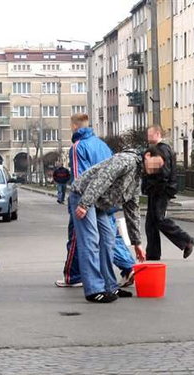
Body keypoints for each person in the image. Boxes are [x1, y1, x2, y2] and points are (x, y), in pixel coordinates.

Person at [70, 148, 166, 302]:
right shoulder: (126, 160)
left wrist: (137, 243)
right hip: (84, 194)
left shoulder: (136, 177)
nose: (156, 169)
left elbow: (132, 207)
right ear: (148, 155)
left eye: (159, 167)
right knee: (91, 240)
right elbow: (103, 178)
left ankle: (110, 287)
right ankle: (94, 290)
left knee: (108, 240)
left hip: (100, 204)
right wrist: (85, 203)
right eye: (157, 164)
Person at [56, 113, 113, 288]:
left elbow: (79, 178)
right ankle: (108, 283)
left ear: (74, 126)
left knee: (82, 238)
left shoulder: (78, 146)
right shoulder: (103, 145)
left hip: (85, 198)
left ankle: (81, 280)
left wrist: (83, 203)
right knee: (107, 239)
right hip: (103, 198)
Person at [144, 124, 194, 260]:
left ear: (157, 134)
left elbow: (163, 173)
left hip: (160, 190)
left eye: (150, 134)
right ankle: (152, 254)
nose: (148, 136)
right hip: (156, 189)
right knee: (151, 222)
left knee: (159, 219)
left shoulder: (161, 150)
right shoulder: (159, 149)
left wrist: (156, 186)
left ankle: (186, 240)